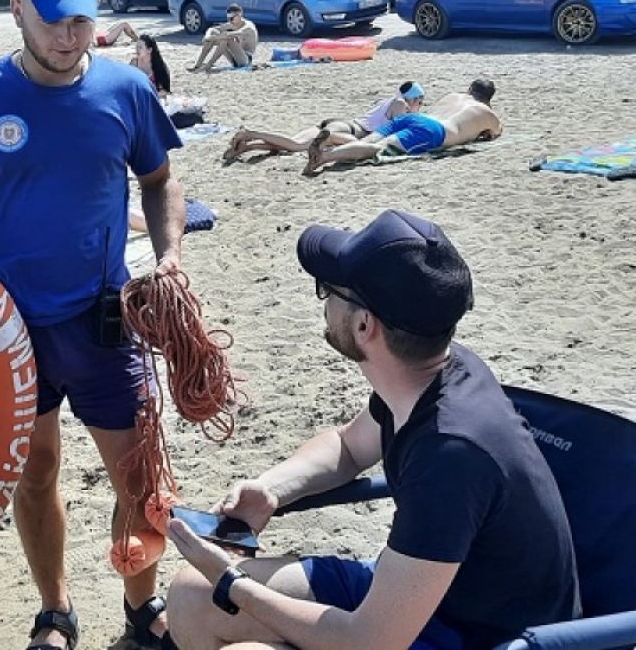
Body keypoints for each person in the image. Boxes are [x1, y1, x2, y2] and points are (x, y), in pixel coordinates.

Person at [0, 0, 187, 650]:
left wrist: (171, 257)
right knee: (35, 474)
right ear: (18, 10)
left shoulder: (123, 90)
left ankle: (139, 609)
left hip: (102, 323)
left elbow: (159, 181)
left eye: (82, 21)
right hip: (8, 330)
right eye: (54, 20)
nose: (68, 36)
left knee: (137, 477)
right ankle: (54, 612)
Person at [165, 209, 580, 650]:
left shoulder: (451, 455)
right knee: (193, 594)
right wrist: (272, 488)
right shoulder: (426, 371)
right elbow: (349, 446)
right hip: (422, 594)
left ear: (365, 326)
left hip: (476, 637)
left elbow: (370, 641)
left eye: (328, 290)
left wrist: (233, 583)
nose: (324, 304)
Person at [304, 79, 500, 174]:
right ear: (489, 98)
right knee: (376, 150)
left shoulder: (453, 96)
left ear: (469, 89)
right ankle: (325, 157)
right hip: (434, 130)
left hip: (413, 117)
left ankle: (331, 138)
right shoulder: (485, 111)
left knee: (365, 141)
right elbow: (496, 131)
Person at [223, 81, 424, 162]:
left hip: (339, 123)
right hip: (349, 129)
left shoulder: (388, 100)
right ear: (413, 98)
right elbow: (397, 129)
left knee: (291, 145)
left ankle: (247, 146)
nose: (419, 107)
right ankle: (250, 133)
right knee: (296, 145)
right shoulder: (400, 104)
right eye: (420, 102)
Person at [187, 4, 257, 73]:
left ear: (240, 14)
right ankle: (198, 65)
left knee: (225, 38)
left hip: (245, 59)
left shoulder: (248, 27)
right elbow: (212, 29)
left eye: (232, 18)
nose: (230, 21)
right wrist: (207, 36)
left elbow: (230, 34)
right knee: (215, 33)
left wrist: (212, 38)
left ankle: (208, 65)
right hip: (235, 58)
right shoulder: (233, 24)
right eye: (228, 18)